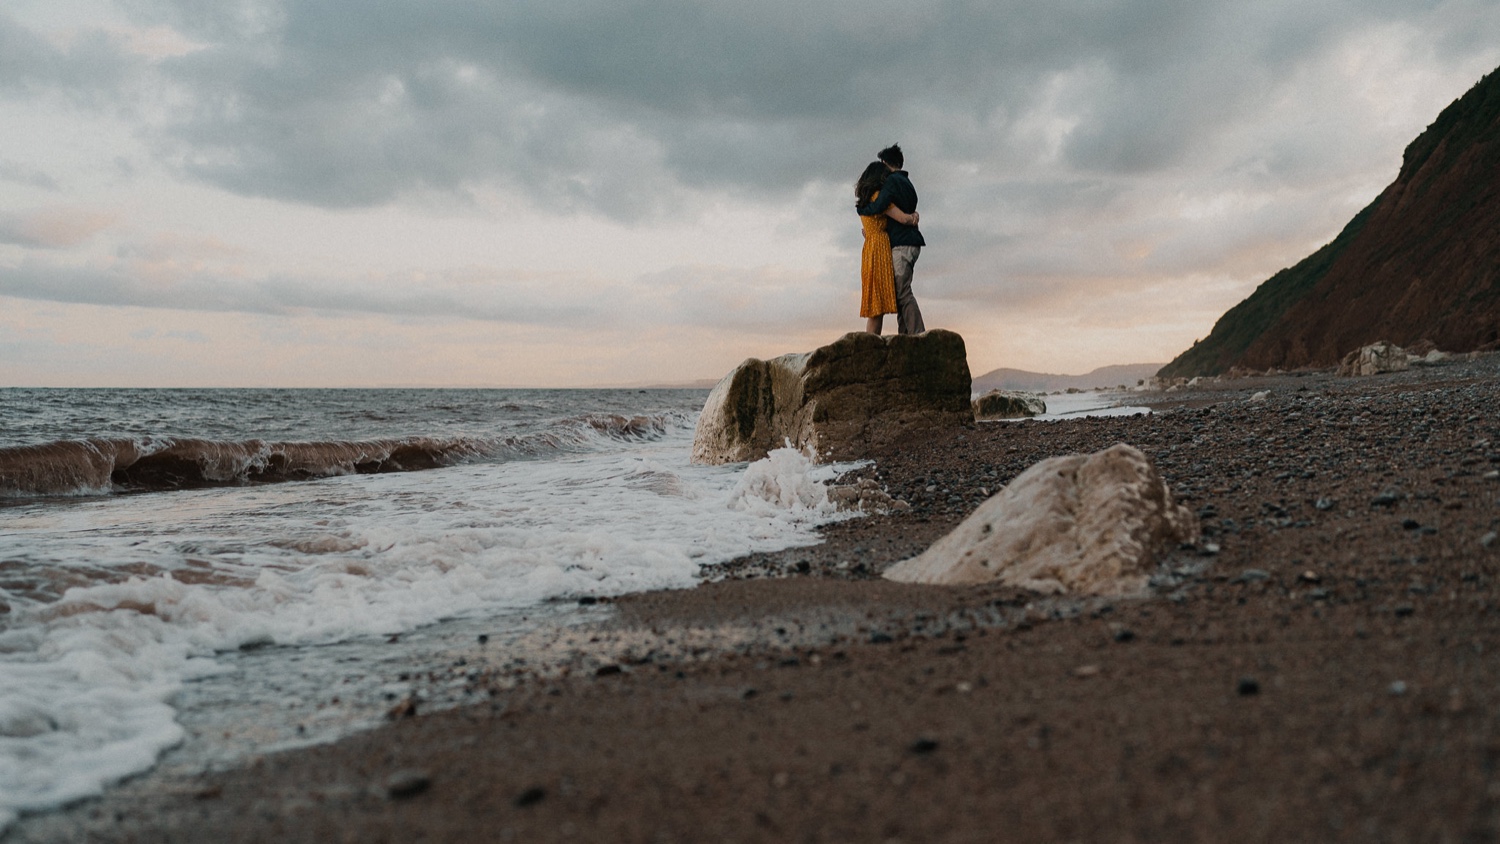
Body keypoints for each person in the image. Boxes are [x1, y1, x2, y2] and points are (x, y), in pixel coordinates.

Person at [857, 144, 925, 334]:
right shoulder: (908, 183)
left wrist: (862, 209)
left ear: (886, 163)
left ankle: (918, 334)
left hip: (902, 243)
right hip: (909, 242)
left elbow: (880, 206)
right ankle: (905, 336)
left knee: (902, 293)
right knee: (899, 293)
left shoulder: (892, 182)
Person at [855, 161, 909, 335]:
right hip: (879, 248)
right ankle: (871, 343)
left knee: (875, 304)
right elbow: (901, 218)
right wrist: (913, 217)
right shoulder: (879, 197)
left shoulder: (865, 200)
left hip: (870, 247)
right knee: (878, 306)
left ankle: (871, 342)